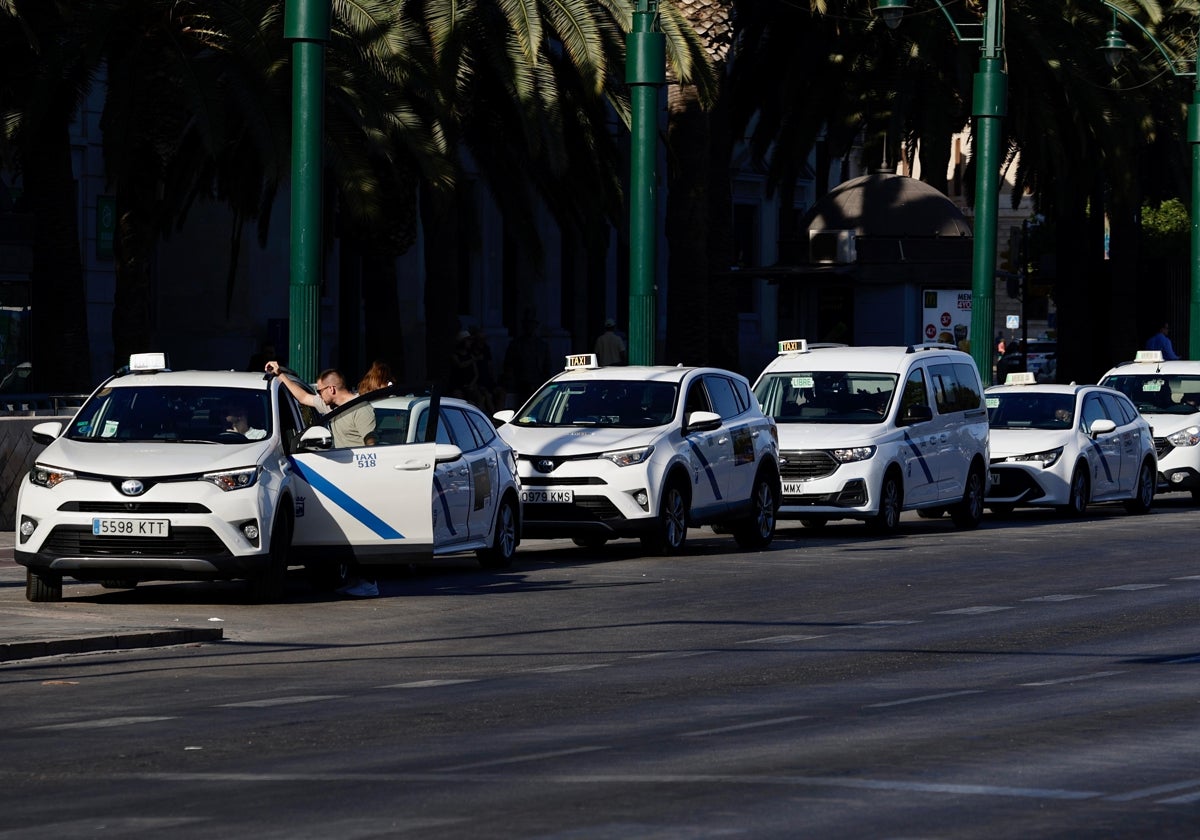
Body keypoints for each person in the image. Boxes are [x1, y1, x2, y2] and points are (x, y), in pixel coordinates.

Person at [264, 360, 380, 598]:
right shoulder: (331, 407)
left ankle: (369, 581)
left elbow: (372, 444)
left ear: (332, 389)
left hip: (360, 478)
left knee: (361, 531)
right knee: (345, 533)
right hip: (339, 476)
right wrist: (280, 375)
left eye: (319, 389)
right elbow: (303, 399)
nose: (317, 394)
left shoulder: (361, 408)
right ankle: (354, 579)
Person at [502, 312, 552, 407]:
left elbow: (547, 365)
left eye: (532, 324)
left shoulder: (542, 345)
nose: (530, 327)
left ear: (536, 326)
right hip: (521, 382)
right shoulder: (516, 345)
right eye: (527, 324)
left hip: (538, 380)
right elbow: (508, 365)